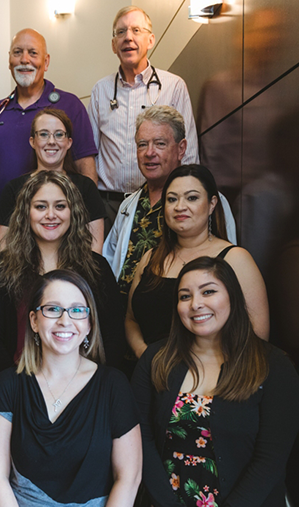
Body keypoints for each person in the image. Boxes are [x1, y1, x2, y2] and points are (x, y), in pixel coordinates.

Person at [131, 256, 299, 507]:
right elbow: (139, 440)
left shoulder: (274, 366)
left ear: (232, 296)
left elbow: (271, 460)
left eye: (208, 292)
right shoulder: (156, 359)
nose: (196, 304)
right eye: (185, 296)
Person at [0, 269, 142, 506]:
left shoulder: (113, 385)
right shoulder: (8, 385)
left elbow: (129, 477)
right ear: (35, 321)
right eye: (53, 309)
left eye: (77, 310)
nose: (65, 320)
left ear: (89, 324)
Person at [0, 171, 125, 385]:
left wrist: (92, 385)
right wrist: (19, 388)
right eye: (41, 206)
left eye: (60, 206)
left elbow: (113, 337)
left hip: (86, 389)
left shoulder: (96, 268)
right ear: (26, 212)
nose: (51, 215)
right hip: (17, 390)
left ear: (73, 212)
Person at [125, 164, 269, 360]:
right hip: (149, 373)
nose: (180, 206)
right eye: (172, 199)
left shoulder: (235, 258)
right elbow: (131, 320)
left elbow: (257, 335)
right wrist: (145, 355)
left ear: (211, 204)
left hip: (211, 380)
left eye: (192, 198)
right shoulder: (150, 258)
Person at [0, 28, 98, 262]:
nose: (25, 59)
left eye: (33, 53)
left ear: (46, 62)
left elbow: (87, 170)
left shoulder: (70, 105)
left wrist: (81, 223)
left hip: (55, 228)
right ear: (9, 60)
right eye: (18, 52)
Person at [103, 106, 236, 306]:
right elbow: (111, 260)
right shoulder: (129, 204)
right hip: (126, 314)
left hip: (182, 312)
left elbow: (227, 264)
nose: (149, 153)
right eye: (142, 144)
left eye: (160, 143)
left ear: (181, 148)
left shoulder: (208, 200)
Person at [88, 6, 199, 231]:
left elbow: (189, 154)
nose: (128, 37)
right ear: (113, 45)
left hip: (160, 201)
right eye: (121, 32)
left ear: (150, 40)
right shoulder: (101, 90)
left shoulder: (173, 86)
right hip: (109, 205)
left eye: (136, 30)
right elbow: (90, 154)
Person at [0, 108, 105, 253]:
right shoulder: (13, 189)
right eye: (44, 134)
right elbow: (5, 249)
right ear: (32, 142)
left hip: (76, 273)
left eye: (59, 135)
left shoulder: (86, 188)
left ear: (69, 142)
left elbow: (95, 249)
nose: (51, 141)